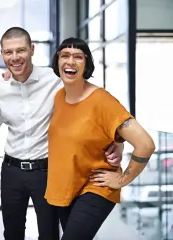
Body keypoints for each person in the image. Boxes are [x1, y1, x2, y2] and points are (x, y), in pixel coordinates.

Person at [0, 27, 125, 240]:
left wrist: (119, 141)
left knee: (49, 234)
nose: (15, 57)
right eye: (9, 53)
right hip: (11, 171)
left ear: (32, 50)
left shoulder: (56, 78)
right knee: (12, 233)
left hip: (46, 171)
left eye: (21, 51)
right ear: (2, 54)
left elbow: (96, 105)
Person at [45, 37, 156, 240]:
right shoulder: (59, 97)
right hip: (66, 188)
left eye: (78, 57)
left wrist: (123, 179)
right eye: (64, 56)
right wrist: (117, 141)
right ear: (57, 61)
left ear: (86, 64)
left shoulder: (102, 101)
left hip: (96, 186)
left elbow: (146, 144)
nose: (70, 61)